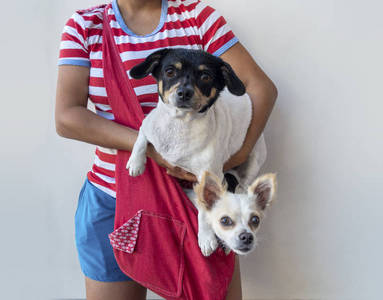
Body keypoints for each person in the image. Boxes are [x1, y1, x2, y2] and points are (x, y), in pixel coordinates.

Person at [55, 0, 277, 299]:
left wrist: (237, 156)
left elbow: (260, 87)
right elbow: (67, 117)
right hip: (113, 199)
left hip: (195, 201)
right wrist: (149, 149)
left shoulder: (197, 17)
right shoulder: (87, 25)